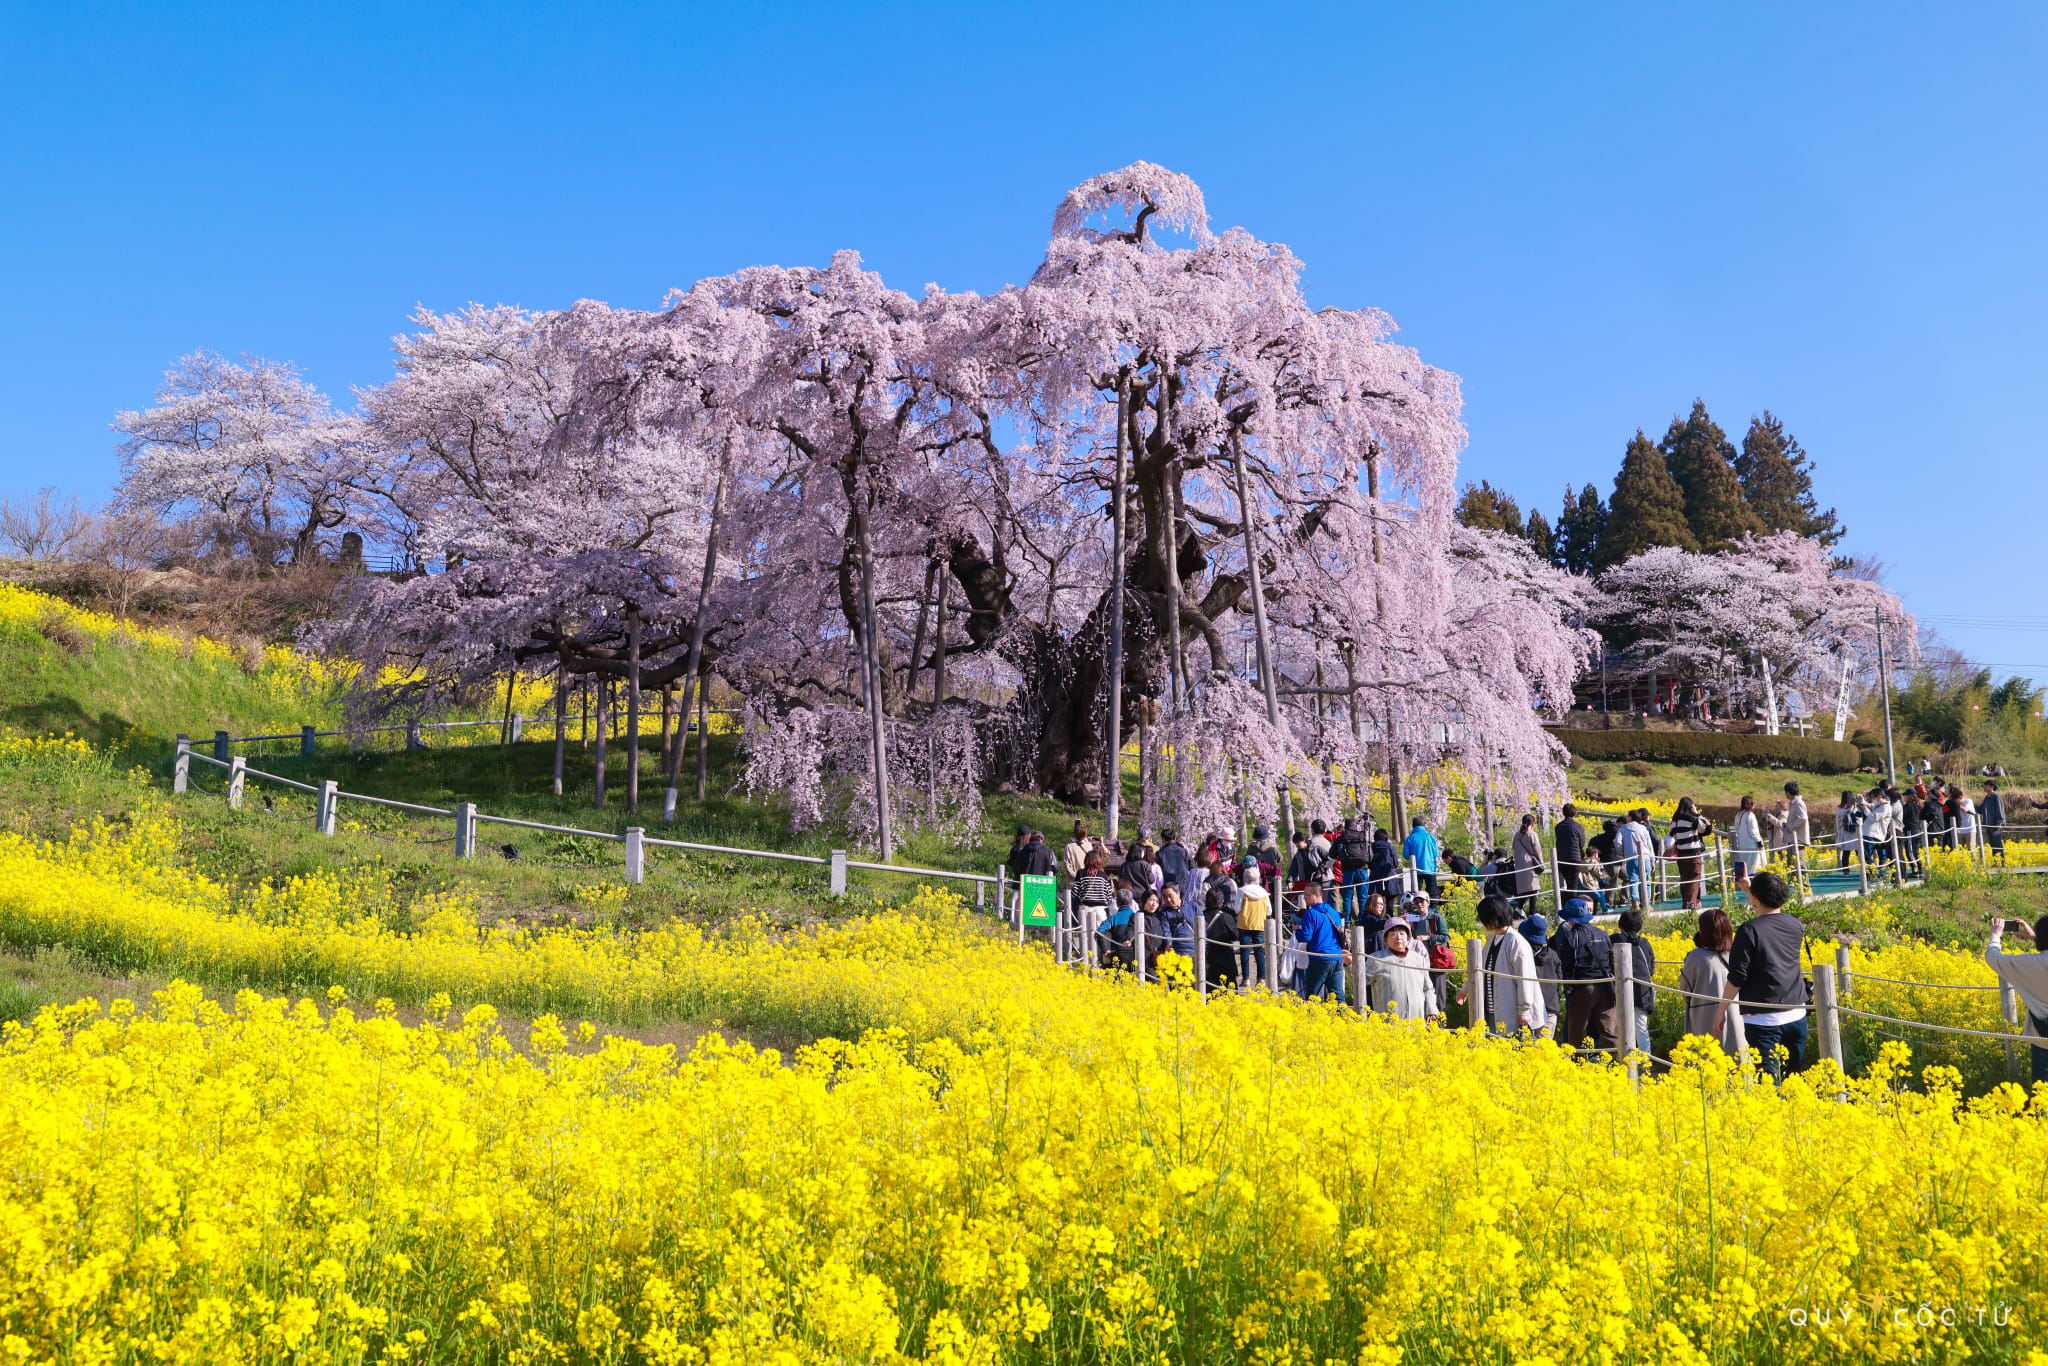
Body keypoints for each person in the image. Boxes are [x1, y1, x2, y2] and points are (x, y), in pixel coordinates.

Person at [1713, 871, 1808, 1079]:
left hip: (1763, 1020)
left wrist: (1721, 1010)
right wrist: (1749, 890)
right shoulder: (1796, 925)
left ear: (1756, 899)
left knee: (1768, 1085)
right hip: (1797, 1015)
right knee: (1794, 1080)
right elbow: (1768, 916)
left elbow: (1738, 977)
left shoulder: (1748, 931)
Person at [1457, 894, 1547, 1036]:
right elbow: (1479, 967)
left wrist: (1524, 1010)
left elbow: (1525, 979)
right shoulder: (1493, 938)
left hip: (1512, 1013)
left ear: (1493, 917)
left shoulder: (1516, 942)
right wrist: (1465, 990)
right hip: (1493, 1010)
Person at [1984, 914, 2048, 1088]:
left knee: (2043, 1097)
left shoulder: (2032, 963)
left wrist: (1996, 935)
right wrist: (2036, 938)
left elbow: (1993, 958)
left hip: (2043, 1043)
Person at [1677, 907, 1743, 1058]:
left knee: (1705, 1062)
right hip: (1735, 1014)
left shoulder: (1696, 957)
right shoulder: (1737, 954)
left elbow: (1685, 988)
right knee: (1735, 1060)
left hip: (1702, 1015)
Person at [1554, 894, 1615, 1052]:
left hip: (1583, 987)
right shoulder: (1602, 934)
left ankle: (1577, 1066)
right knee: (1610, 1032)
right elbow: (1611, 959)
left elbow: (1566, 962)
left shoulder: (1572, 936)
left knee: (1576, 1032)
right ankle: (1622, 1064)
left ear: (1570, 919)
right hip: (1605, 987)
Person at [1364, 917, 1438, 1020]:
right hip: (1388, 1024)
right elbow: (1361, 980)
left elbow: (1428, 988)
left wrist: (1431, 1011)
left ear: (1408, 937)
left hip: (1416, 1023)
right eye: (1393, 934)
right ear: (1386, 939)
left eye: (1402, 933)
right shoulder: (1376, 959)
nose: (1398, 937)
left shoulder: (1418, 959)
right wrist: (1349, 965)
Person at [1609, 908, 1656, 1058]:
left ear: (1620, 925)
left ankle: (1622, 1057)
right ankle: (1645, 1061)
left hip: (1620, 990)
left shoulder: (1615, 939)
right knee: (1641, 1027)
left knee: (1618, 1026)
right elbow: (1652, 968)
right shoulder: (1645, 943)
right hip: (1642, 991)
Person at [1295, 896, 1348, 1001]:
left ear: (1315, 896)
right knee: (1338, 996)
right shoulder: (1334, 912)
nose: (1305, 898)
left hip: (1319, 959)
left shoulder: (1310, 913)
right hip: (1336, 958)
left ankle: (1310, 1016)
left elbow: (1306, 936)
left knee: (1311, 996)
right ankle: (1344, 1016)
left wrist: (1297, 930)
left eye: (1307, 895)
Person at [1520, 912, 1563, 1033]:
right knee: (1545, 1048)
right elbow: (1559, 983)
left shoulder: (1523, 955)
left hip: (1528, 1011)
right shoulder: (1554, 955)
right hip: (1550, 1009)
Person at [1665, 797, 1710, 910]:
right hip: (1693, 852)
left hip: (1681, 853)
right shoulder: (1690, 819)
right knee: (1695, 877)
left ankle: (1685, 902)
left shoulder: (1674, 821)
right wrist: (1697, 813)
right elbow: (1704, 826)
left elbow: (1673, 836)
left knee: (1685, 878)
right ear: (1690, 806)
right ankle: (1692, 903)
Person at [1235, 864, 1271, 985]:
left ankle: (1246, 979)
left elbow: (1236, 908)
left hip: (1244, 923)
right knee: (1259, 951)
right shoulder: (1264, 893)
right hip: (1259, 923)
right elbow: (1269, 910)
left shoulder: (1242, 891)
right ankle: (1261, 979)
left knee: (1244, 951)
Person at [1201, 885, 1241, 990]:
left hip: (1207, 961)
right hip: (1225, 960)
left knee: (1209, 994)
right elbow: (1236, 935)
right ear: (1222, 902)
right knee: (1230, 994)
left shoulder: (1200, 916)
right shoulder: (1225, 917)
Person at [1335, 815, 1374, 919]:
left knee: (1347, 898)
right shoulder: (1362, 835)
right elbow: (1370, 853)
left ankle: (1346, 922)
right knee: (1363, 897)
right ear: (1356, 826)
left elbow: (1332, 853)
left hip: (1348, 870)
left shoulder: (1342, 837)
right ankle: (1363, 920)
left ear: (1345, 827)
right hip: (1362, 869)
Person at [1095, 890, 1139, 972]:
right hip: (1137, 955)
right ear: (1132, 903)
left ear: (1117, 903)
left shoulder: (1113, 918)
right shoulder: (1138, 916)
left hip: (1118, 955)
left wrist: (1105, 950)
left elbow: (1098, 932)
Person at [1402, 817, 1441, 900]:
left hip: (1416, 869)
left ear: (1413, 826)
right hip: (1430, 868)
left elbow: (1405, 855)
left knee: (1416, 892)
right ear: (1424, 825)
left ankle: (1416, 908)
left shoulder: (1410, 838)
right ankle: (1433, 909)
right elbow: (1436, 854)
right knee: (1432, 892)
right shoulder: (1431, 837)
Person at [1160, 884, 1199, 965]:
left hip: (1195, 951)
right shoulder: (1164, 913)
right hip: (1177, 952)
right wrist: (1169, 944)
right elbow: (1166, 931)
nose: (1168, 899)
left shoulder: (1193, 906)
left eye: (1170, 896)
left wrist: (1203, 949)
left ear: (1178, 894)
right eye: (1165, 897)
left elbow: (1202, 928)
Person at [1553, 804, 1588, 892]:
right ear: (1575, 813)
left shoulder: (1558, 827)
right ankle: (1573, 903)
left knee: (1568, 883)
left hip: (1562, 858)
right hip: (1575, 859)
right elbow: (1582, 843)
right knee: (1573, 884)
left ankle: (1565, 903)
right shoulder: (1578, 826)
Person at [1512, 814, 1543, 909]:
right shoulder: (1532, 834)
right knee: (1534, 888)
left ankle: (1519, 909)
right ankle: (1531, 912)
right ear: (1532, 824)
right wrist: (1541, 862)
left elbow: (1514, 847)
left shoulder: (1517, 835)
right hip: (1529, 863)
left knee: (1524, 889)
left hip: (1519, 864)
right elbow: (1537, 849)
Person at [1730, 795, 1763, 881]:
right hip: (1752, 846)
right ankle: (1752, 888)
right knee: (1752, 869)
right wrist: (1759, 842)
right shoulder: (1750, 815)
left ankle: (1744, 888)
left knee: (1744, 869)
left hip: (1742, 844)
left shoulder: (1738, 814)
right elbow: (1753, 831)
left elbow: (1736, 829)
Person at [1369, 825, 1402, 902]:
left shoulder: (1371, 847)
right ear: (1386, 838)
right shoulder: (1390, 846)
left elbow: (1369, 861)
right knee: (1390, 898)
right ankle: (1389, 914)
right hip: (1389, 874)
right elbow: (1395, 863)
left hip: (1375, 875)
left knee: (1376, 900)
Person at [1588, 819, 1621, 890]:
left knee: (1613, 882)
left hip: (1611, 862)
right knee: (1612, 882)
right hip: (1614, 862)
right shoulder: (1616, 838)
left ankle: (1612, 900)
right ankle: (1610, 901)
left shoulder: (1597, 839)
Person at [1834, 791, 1862, 870]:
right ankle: (1864, 868)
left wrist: (1839, 829)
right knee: (1859, 852)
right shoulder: (1855, 807)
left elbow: (1837, 821)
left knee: (1846, 852)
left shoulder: (1840, 808)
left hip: (1845, 831)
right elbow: (1860, 818)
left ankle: (1846, 870)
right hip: (1856, 831)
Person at [1783, 782, 1811, 854]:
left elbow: (1803, 818)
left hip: (1798, 840)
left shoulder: (1798, 803)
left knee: (1799, 863)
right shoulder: (1794, 803)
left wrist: (1791, 826)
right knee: (1791, 862)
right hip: (1793, 839)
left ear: (1788, 793)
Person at [1983, 781, 2007, 862]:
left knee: (1997, 844)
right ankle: (1996, 862)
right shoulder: (1987, 797)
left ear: (1992, 787)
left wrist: (1999, 823)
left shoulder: (1996, 797)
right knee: (1993, 845)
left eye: (1986, 786)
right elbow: (1981, 809)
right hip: (1989, 825)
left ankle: (2001, 863)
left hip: (1996, 826)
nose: (1984, 787)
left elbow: (1999, 810)